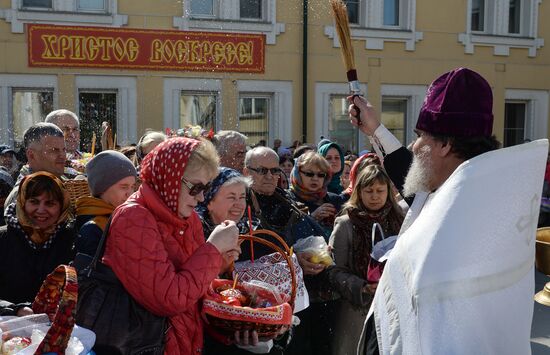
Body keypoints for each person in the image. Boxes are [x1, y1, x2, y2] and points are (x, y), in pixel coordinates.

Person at [350, 68, 545, 354]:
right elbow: (419, 187)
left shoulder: (454, 222)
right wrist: (375, 130)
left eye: (419, 136)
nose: (414, 146)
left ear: (444, 144)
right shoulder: (484, 195)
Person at [99, 137, 241, 353]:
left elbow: (194, 292)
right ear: (171, 178)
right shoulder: (133, 217)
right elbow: (168, 299)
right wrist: (213, 249)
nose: (202, 197)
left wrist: (234, 327)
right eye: (195, 187)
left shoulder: (188, 217)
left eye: (206, 187)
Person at [328, 165, 404, 355]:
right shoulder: (346, 224)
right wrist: (361, 286)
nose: (375, 196)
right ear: (358, 192)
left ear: (389, 191)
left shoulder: (400, 220)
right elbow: (334, 269)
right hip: (357, 308)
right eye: (369, 191)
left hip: (394, 305)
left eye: (380, 191)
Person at [0, 172, 74, 304]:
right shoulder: (3, 239)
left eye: (50, 203)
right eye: (34, 202)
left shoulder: (70, 240)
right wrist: (15, 309)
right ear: (22, 202)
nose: (41, 210)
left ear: (62, 206)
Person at [74, 150, 137, 268]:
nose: (130, 193)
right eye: (124, 187)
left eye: (132, 187)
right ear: (102, 188)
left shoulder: (122, 215)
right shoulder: (92, 228)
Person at [4, 123, 66, 215]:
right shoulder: (22, 195)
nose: (63, 156)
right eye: (54, 150)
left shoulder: (65, 183)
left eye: (64, 150)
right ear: (31, 155)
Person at [287, 151, 344, 235]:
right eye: (309, 174)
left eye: (321, 175)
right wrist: (312, 218)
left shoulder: (334, 200)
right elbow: (286, 233)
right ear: (298, 173)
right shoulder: (288, 199)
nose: (315, 178)